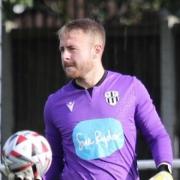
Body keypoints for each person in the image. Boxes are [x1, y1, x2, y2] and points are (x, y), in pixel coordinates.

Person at [43, 18, 173, 180]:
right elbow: (54, 161)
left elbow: (157, 135)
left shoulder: (131, 88)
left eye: (71, 49)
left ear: (97, 50)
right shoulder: (54, 103)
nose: (65, 56)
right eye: (62, 49)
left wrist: (165, 169)